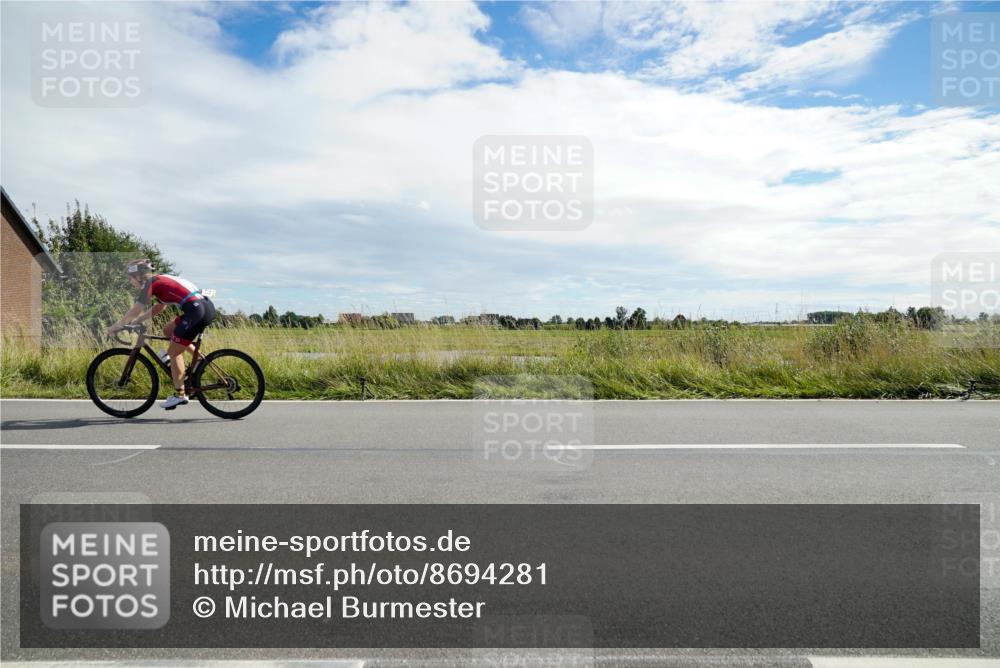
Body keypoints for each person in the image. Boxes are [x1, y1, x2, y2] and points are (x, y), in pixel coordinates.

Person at [106, 259, 216, 409]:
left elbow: (136, 308)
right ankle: (198, 362)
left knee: (173, 352)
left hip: (196, 311)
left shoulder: (150, 284)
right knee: (168, 331)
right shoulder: (159, 281)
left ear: (138, 276)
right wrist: (137, 320)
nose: (130, 282)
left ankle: (180, 395)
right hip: (203, 307)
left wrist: (116, 326)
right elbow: (159, 308)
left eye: (130, 278)